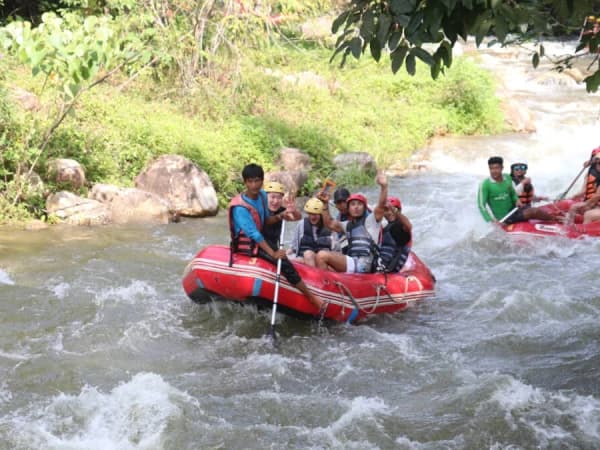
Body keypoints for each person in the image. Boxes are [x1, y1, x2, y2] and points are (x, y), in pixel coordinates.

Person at [228, 163, 324, 310]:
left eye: (257, 181)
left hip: (260, 242)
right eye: (250, 181)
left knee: (282, 257)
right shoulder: (240, 207)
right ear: (245, 182)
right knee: (284, 261)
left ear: (262, 181)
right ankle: (311, 297)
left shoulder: (261, 196)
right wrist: (273, 253)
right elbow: (254, 234)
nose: (254, 185)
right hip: (249, 245)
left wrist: (280, 216)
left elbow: (266, 220)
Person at [314, 172, 388, 273]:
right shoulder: (348, 225)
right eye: (353, 204)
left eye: (359, 204)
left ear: (364, 207)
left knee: (322, 255)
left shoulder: (372, 221)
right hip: (353, 262)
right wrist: (324, 204)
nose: (356, 207)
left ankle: (325, 284)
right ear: (348, 208)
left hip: (364, 264)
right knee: (321, 260)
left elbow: (381, 206)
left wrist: (384, 186)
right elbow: (329, 223)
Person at [478, 156, 560, 224]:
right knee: (534, 212)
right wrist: (490, 220)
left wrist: (516, 200)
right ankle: (557, 220)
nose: (494, 171)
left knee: (540, 211)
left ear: (502, 168)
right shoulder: (485, 185)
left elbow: (512, 192)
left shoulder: (507, 178)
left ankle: (555, 217)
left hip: (516, 210)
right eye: (491, 168)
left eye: (497, 168)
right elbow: (481, 206)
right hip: (506, 217)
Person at [287, 197, 339, 267]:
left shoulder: (330, 226)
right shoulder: (301, 224)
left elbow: (337, 252)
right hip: (303, 260)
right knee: (306, 255)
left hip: (322, 263)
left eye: (315, 214)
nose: (312, 217)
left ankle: (316, 276)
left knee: (308, 254)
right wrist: (285, 255)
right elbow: (293, 248)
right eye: (310, 214)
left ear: (321, 214)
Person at [376, 196, 412, 273]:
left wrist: (394, 210)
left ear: (399, 211)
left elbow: (408, 226)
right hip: (382, 264)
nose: (389, 212)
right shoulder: (385, 228)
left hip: (391, 269)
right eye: (386, 210)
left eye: (393, 209)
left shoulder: (400, 226)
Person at [262, 181, 301, 251]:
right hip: (260, 246)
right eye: (272, 197)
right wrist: (280, 216)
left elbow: (297, 217)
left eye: (279, 198)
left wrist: (293, 211)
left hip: (273, 247)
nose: (276, 201)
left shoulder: (280, 210)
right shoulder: (259, 209)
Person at [566, 148, 600, 223]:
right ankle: (567, 230)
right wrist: (574, 196)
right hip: (595, 204)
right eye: (597, 163)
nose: (598, 165)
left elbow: (598, 196)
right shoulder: (590, 174)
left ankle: (584, 233)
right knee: (573, 207)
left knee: (588, 215)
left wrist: (586, 204)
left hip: (596, 204)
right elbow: (584, 191)